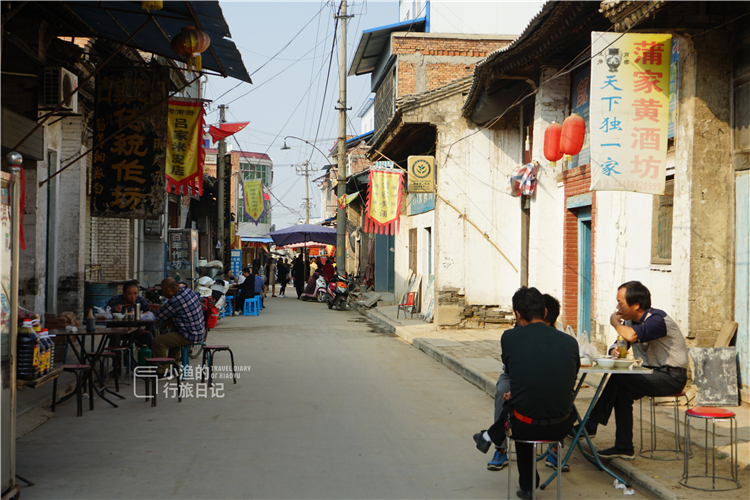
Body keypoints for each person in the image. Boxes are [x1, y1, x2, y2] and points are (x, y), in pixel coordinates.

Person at [473, 287, 579, 500]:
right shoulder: (570, 341)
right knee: (526, 407)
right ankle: (490, 436)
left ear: (518, 314)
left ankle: (527, 486)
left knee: (518, 415)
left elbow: (513, 372)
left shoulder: (510, 337)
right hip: (562, 426)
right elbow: (571, 376)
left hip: (526, 426)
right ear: (545, 310)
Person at [572, 281, 688, 460]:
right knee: (621, 390)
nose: (617, 307)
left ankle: (591, 424)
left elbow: (631, 335)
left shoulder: (657, 320)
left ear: (636, 305)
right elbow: (621, 342)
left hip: (671, 376)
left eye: (621, 303)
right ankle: (624, 447)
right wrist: (614, 350)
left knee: (621, 380)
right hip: (650, 373)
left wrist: (614, 323)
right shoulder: (628, 322)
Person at [486, 294, 570, 473]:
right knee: (503, 390)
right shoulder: (514, 334)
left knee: (549, 395)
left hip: (529, 410)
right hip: (517, 378)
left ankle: (553, 451)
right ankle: (500, 449)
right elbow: (513, 369)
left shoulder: (561, 338)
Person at [150, 278, 206, 375]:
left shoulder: (175, 301)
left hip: (190, 335)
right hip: (200, 331)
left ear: (169, 290)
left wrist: (153, 310)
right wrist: (162, 308)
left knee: (158, 342)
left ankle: (163, 371)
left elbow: (159, 316)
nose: (163, 294)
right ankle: (174, 366)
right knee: (171, 337)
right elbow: (173, 308)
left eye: (163, 291)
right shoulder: (188, 292)